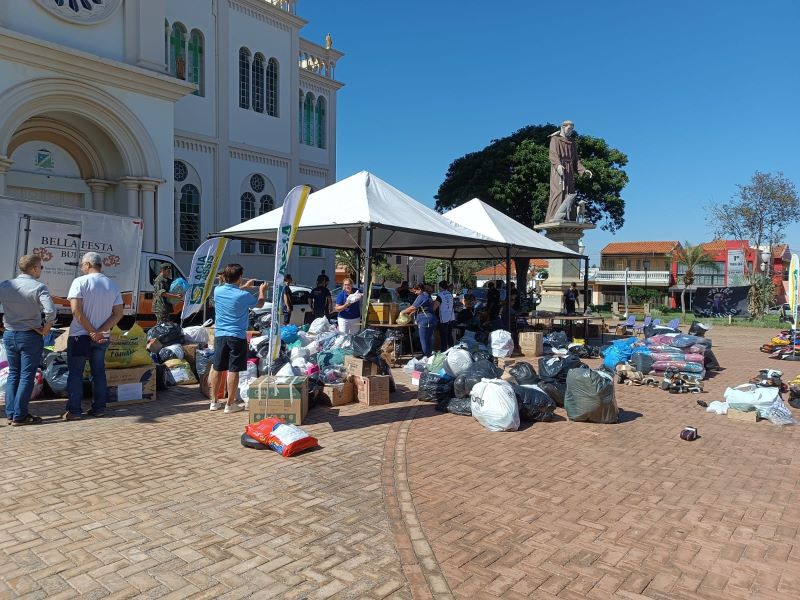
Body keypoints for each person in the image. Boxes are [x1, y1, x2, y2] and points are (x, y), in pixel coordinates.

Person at [64, 252, 124, 420]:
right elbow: (118, 313)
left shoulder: (79, 282)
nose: (81, 267)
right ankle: (99, 408)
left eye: (82, 264)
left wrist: (91, 331)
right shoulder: (111, 285)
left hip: (79, 335)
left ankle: (74, 411)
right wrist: (100, 331)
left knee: (75, 373)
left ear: (89, 264)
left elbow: (76, 310)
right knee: (98, 372)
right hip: (101, 337)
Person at [0, 254, 56, 426]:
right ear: (33, 268)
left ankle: (11, 413)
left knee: (13, 374)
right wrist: (45, 330)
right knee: (26, 375)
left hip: (9, 334)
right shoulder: (39, 287)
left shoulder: (5, 285)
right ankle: (20, 415)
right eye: (40, 267)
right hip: (30, 335)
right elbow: (51, 312)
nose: (41, 270)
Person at [207, 264, 267, 413]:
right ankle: (229, 404)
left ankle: (214, 402)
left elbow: (232, 294)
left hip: (220, 334)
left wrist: (244, 286)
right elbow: (260, 304)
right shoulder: (243, 296)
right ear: (239, 277)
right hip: (237, 335)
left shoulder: (218, 290)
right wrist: (261, 291)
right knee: (233, 369)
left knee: (217, 367)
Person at [545, 120, 593, 222]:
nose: (571, 131)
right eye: (569, 128)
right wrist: (558, 166)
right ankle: (554, 216)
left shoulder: (572, 142)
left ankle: (569, 217)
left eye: (572, 129)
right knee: (558, 192)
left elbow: (575, 160)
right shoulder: (555, 139)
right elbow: (553, 155)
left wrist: (583, 170)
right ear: (563, 127)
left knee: (570, 192)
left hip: (569, 171)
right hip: (559, 170)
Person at [400, 282, 438, 358]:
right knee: (428, 340)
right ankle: (429, 357)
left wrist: (403, 312)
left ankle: (425, 358)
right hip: (431, 319)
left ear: (420, 289)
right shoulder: (427, 295)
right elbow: (422, 307)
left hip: (425, 320)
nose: (415, 293)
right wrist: (412, 312)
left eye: (415, 291)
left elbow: (413, 307)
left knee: (423, 340)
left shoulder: (422, 296)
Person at [436, 280, 454, 351]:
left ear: (440, 287)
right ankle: (452, 351)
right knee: (449, 335)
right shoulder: (450, 294)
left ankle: (444, 353)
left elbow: (434, 307)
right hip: (451, 318)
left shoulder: (440, 295)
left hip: (443, 319)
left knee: (444, 337)